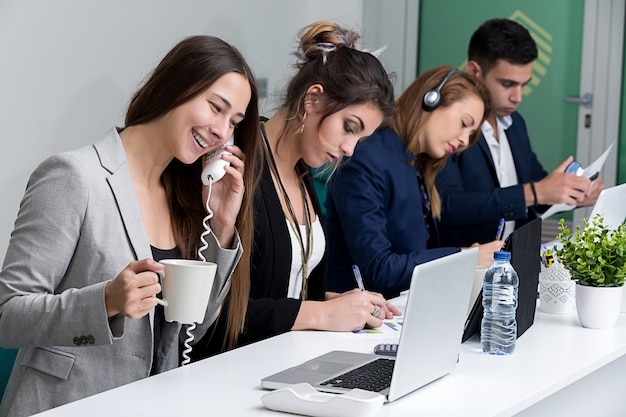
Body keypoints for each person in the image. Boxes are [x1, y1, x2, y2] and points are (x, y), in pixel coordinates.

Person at [0, 35, 261, 417]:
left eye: (233, 122)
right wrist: (105, 301)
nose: (222, 131)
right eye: (215, 108)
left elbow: (192, 330)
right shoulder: (75, 177)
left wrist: (221, 225)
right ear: (177, 86)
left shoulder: (185, 198)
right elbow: (8, 314)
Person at [190, 21, 400, 360]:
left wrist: (340, 304)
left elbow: (284, 291)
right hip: (230, 371)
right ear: (313, 99)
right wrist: (320, 314)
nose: (349, 149)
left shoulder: (302, 173)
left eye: (360, 140)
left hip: (286, 362)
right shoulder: (234, 166)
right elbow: (214, 310)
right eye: (349, 128)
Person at [325, 65, 502, 299]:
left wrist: (471, 255)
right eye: (464, 123)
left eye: (471, 134)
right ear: (432, 100)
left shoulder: (417, 163)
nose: (463, 140)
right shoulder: (367, 159)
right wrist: (465, 256)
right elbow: (379, 268)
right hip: (358, 320)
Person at [435, 18, 604, 247]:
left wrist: (572, 193)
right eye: (507, 84)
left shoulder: (514, 123)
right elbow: (448, 207)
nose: (518, 97)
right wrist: (535, 192)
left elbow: (538, 192)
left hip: (519, 259)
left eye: (524, 85)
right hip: (468, 264)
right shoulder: (451, 126)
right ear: (474, 71)